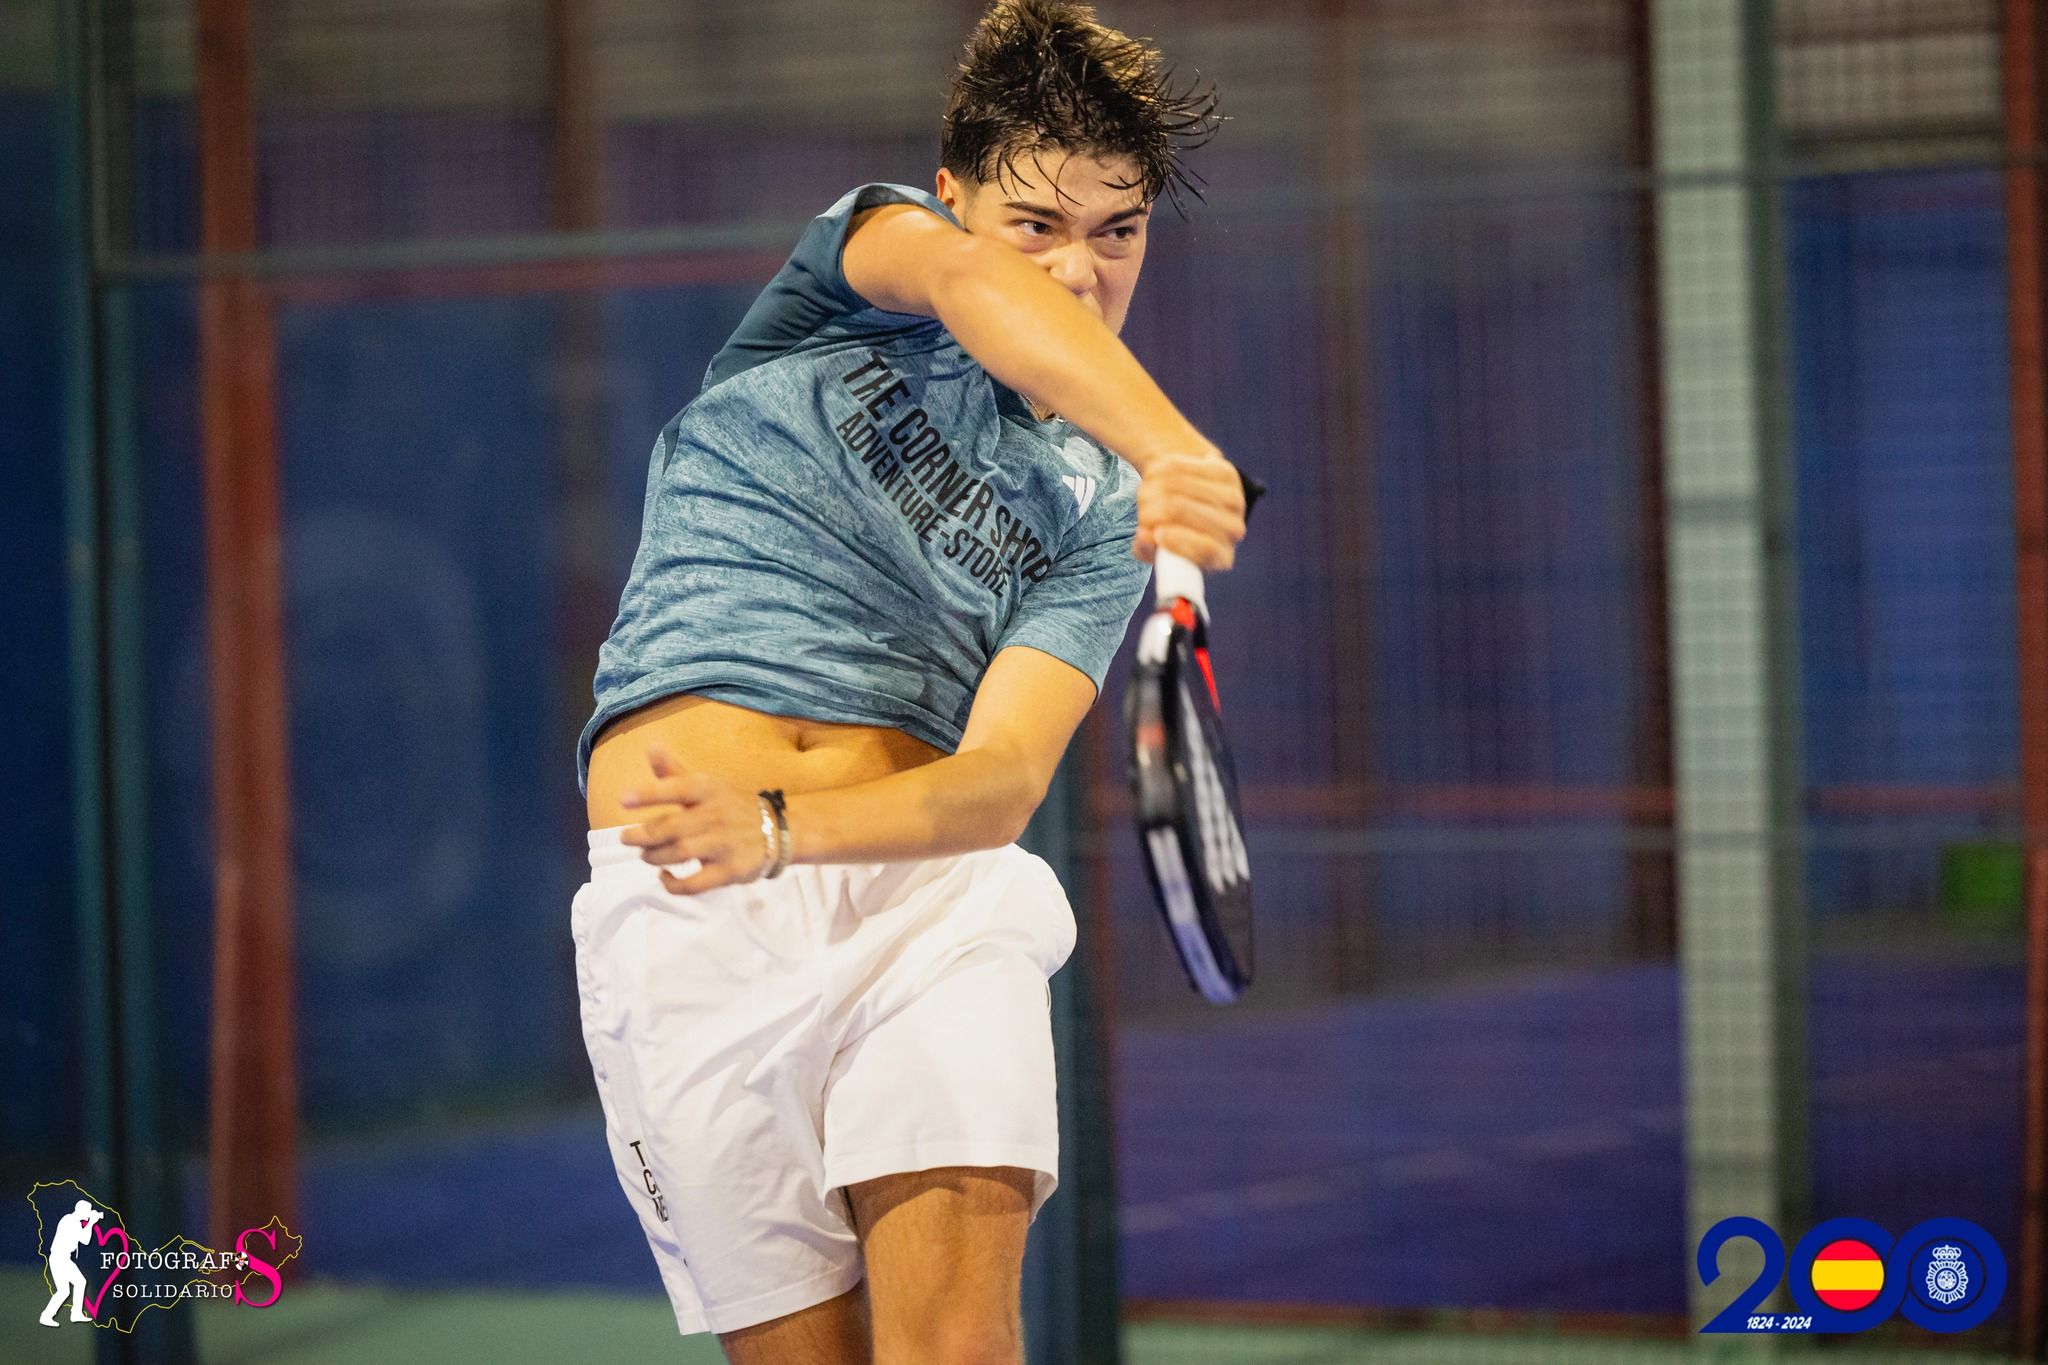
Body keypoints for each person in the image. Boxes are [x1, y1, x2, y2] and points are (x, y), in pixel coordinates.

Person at [571, 2, 1246, 1360]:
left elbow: (998, 779)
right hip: (681, 908)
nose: (1078, 271)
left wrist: (781, 826)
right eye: (1038, 225)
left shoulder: (1103, 506)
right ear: (953, 198)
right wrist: (1177, 442)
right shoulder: (853, 272)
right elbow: (965, 291)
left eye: (1120, 231)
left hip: (922, 909)